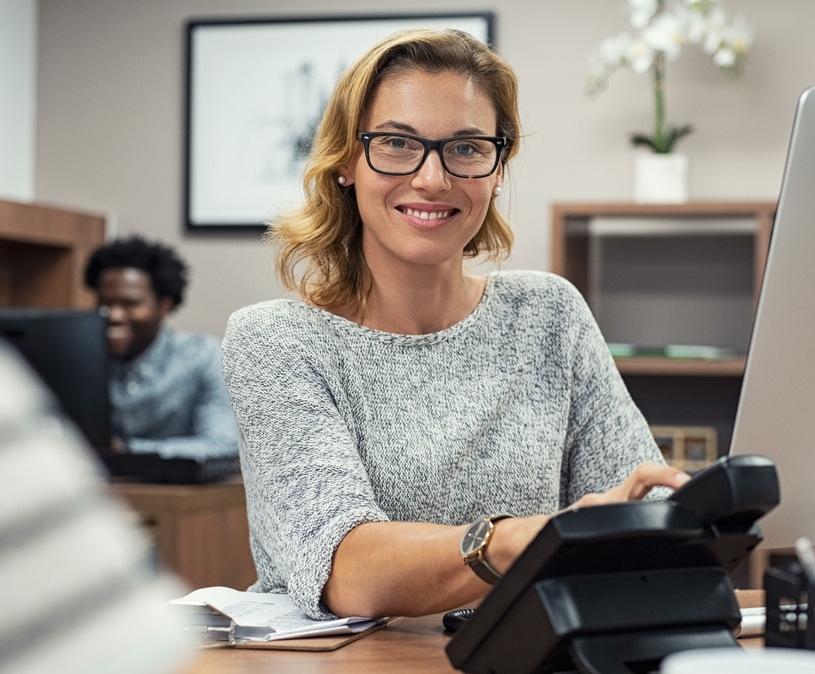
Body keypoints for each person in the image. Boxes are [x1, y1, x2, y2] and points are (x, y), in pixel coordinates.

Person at [220, 29, 690, 620]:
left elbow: (637, 520)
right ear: (345, 161)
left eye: (467, 148)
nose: (433, 179)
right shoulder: (275, 341)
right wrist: (525, 538)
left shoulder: (550, 314)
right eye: (395, 143)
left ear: (498, 170)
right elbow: (345, 571)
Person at [84, 236, 238, 459]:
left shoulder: (204, 357)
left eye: (130, 304)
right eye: (105, 303)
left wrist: (126, 451)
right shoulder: (81, 360)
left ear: (164, 306)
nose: (113, 315)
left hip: (182, 493)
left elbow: (221, 444)